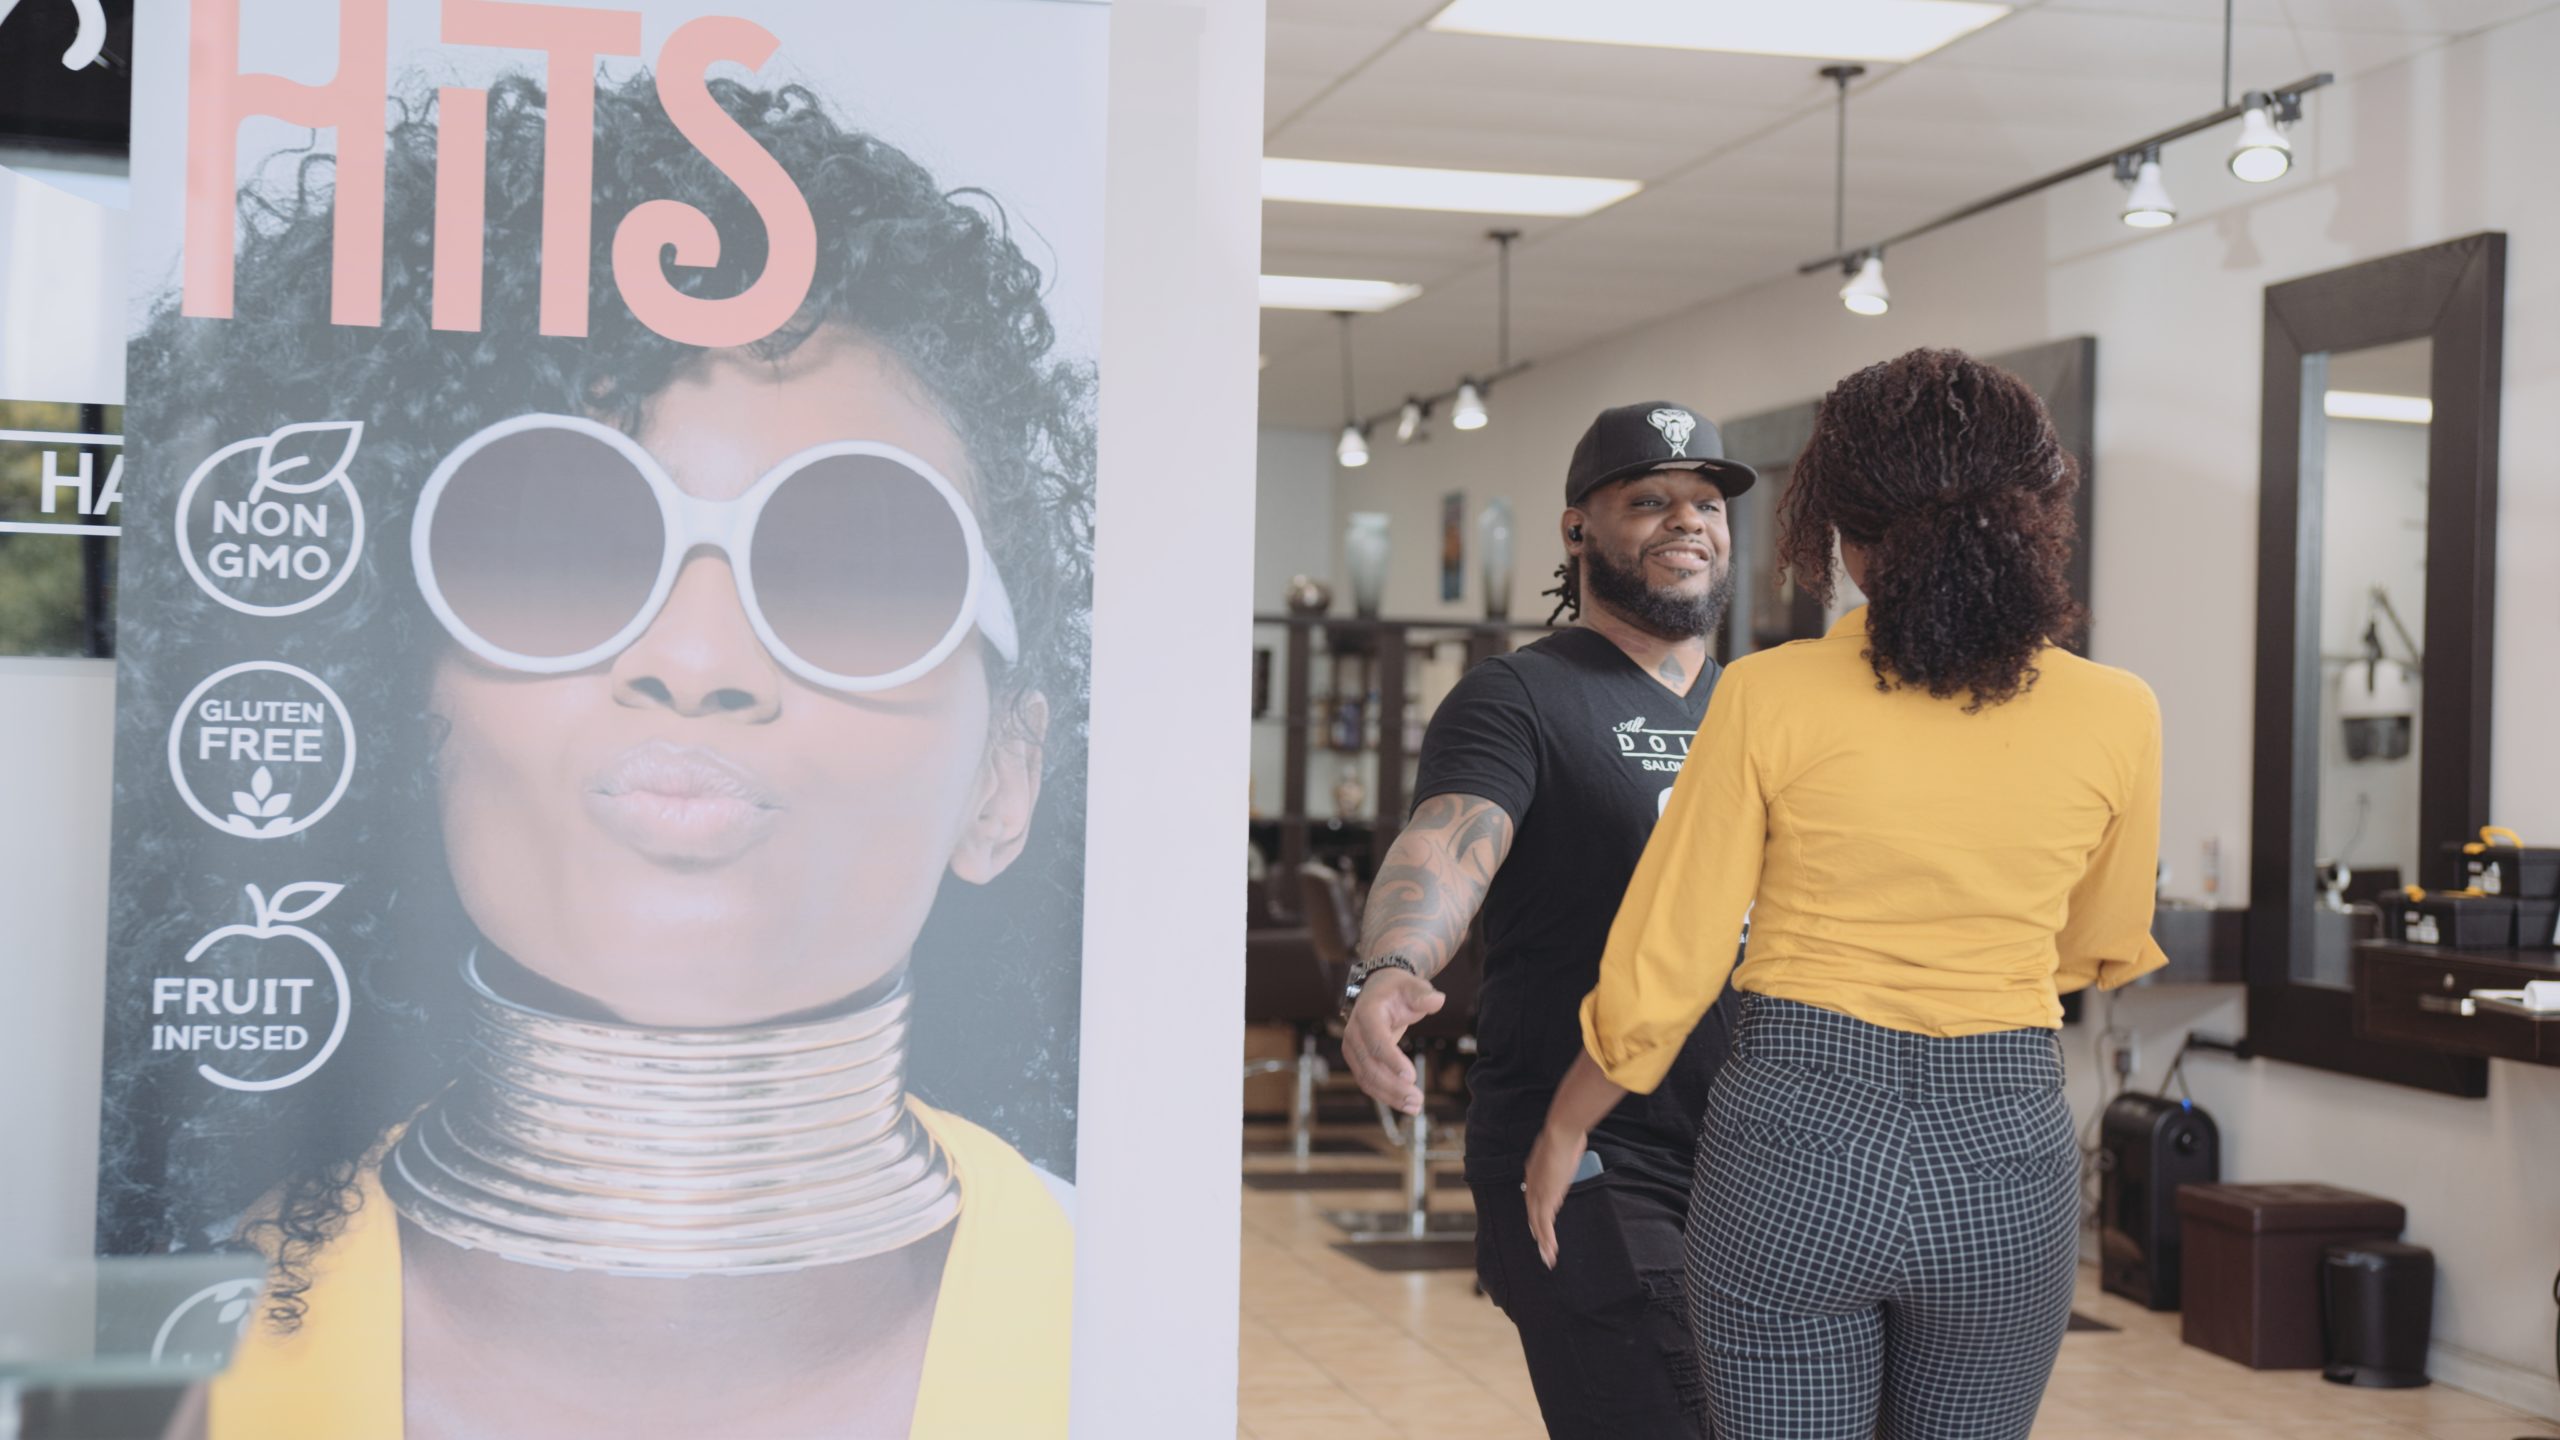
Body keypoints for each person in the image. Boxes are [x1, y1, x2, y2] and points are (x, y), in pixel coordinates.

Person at [103, 71, 1094, 1439]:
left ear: (1007, 782)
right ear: (403, 697)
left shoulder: (1126, 1322)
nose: (693, 659)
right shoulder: (159, 1365)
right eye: (559, 544)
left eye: (863, 567)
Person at [1525, 349, 2169, 1440]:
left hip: (1794, 1147)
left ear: (1844, 532)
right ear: (2032, 518)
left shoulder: (1765, 696)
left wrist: (1562, 1128)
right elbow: (2100, 941)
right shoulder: (2118, 712)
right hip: (2005, 1156)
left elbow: (1670, 961)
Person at [1340, 401, 1755, 1438]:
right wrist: (1392, 966)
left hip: (1751, 1153)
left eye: (1706, 502)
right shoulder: (1518, 696)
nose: (1686, 521)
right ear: (1578, 529)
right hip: (1586, 1152)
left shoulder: (1759, 712)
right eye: (1648, 500)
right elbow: (1447, 840)